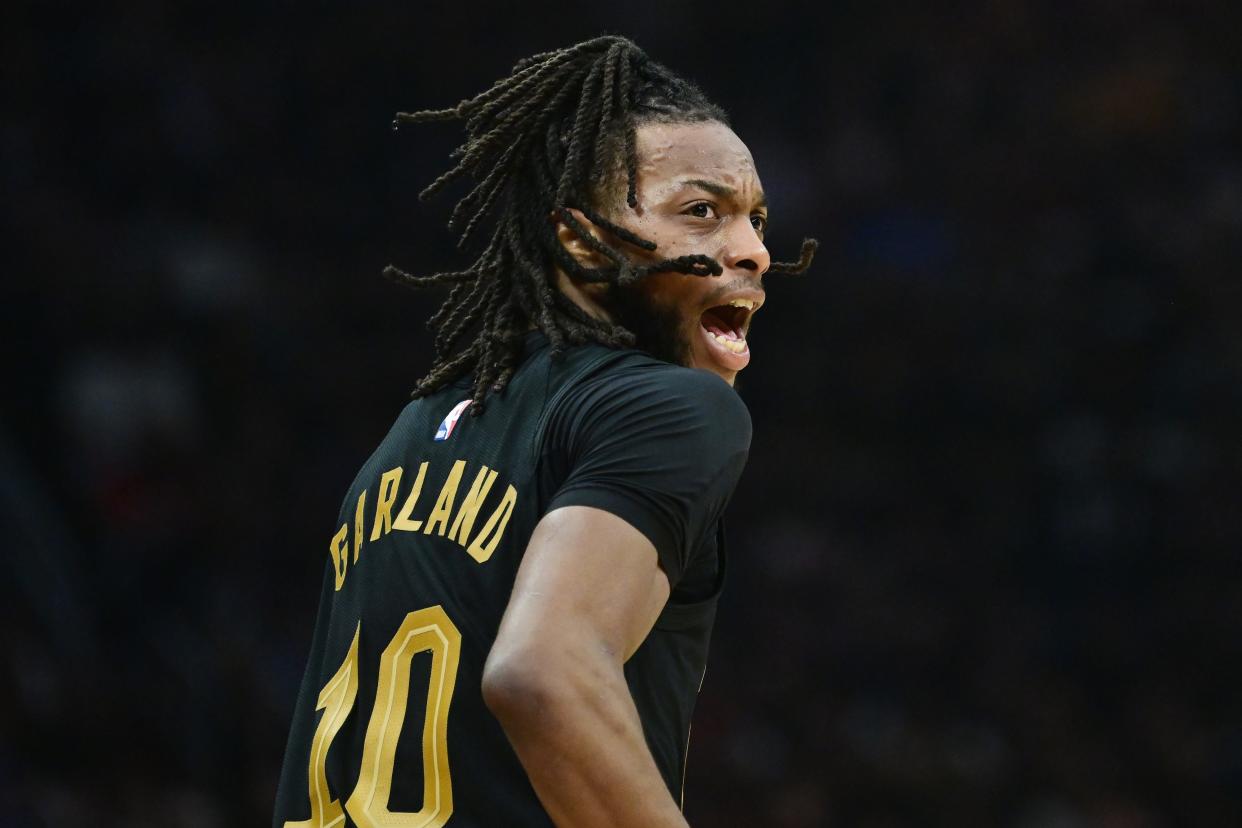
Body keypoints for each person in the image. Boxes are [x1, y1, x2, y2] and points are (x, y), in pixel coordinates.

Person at [272, 35, 815, 828]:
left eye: (756, 219)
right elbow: (542, 673)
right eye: (702, 212)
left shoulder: (404, 441)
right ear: (581, 240)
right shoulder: (673, 407)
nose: (755, 252)